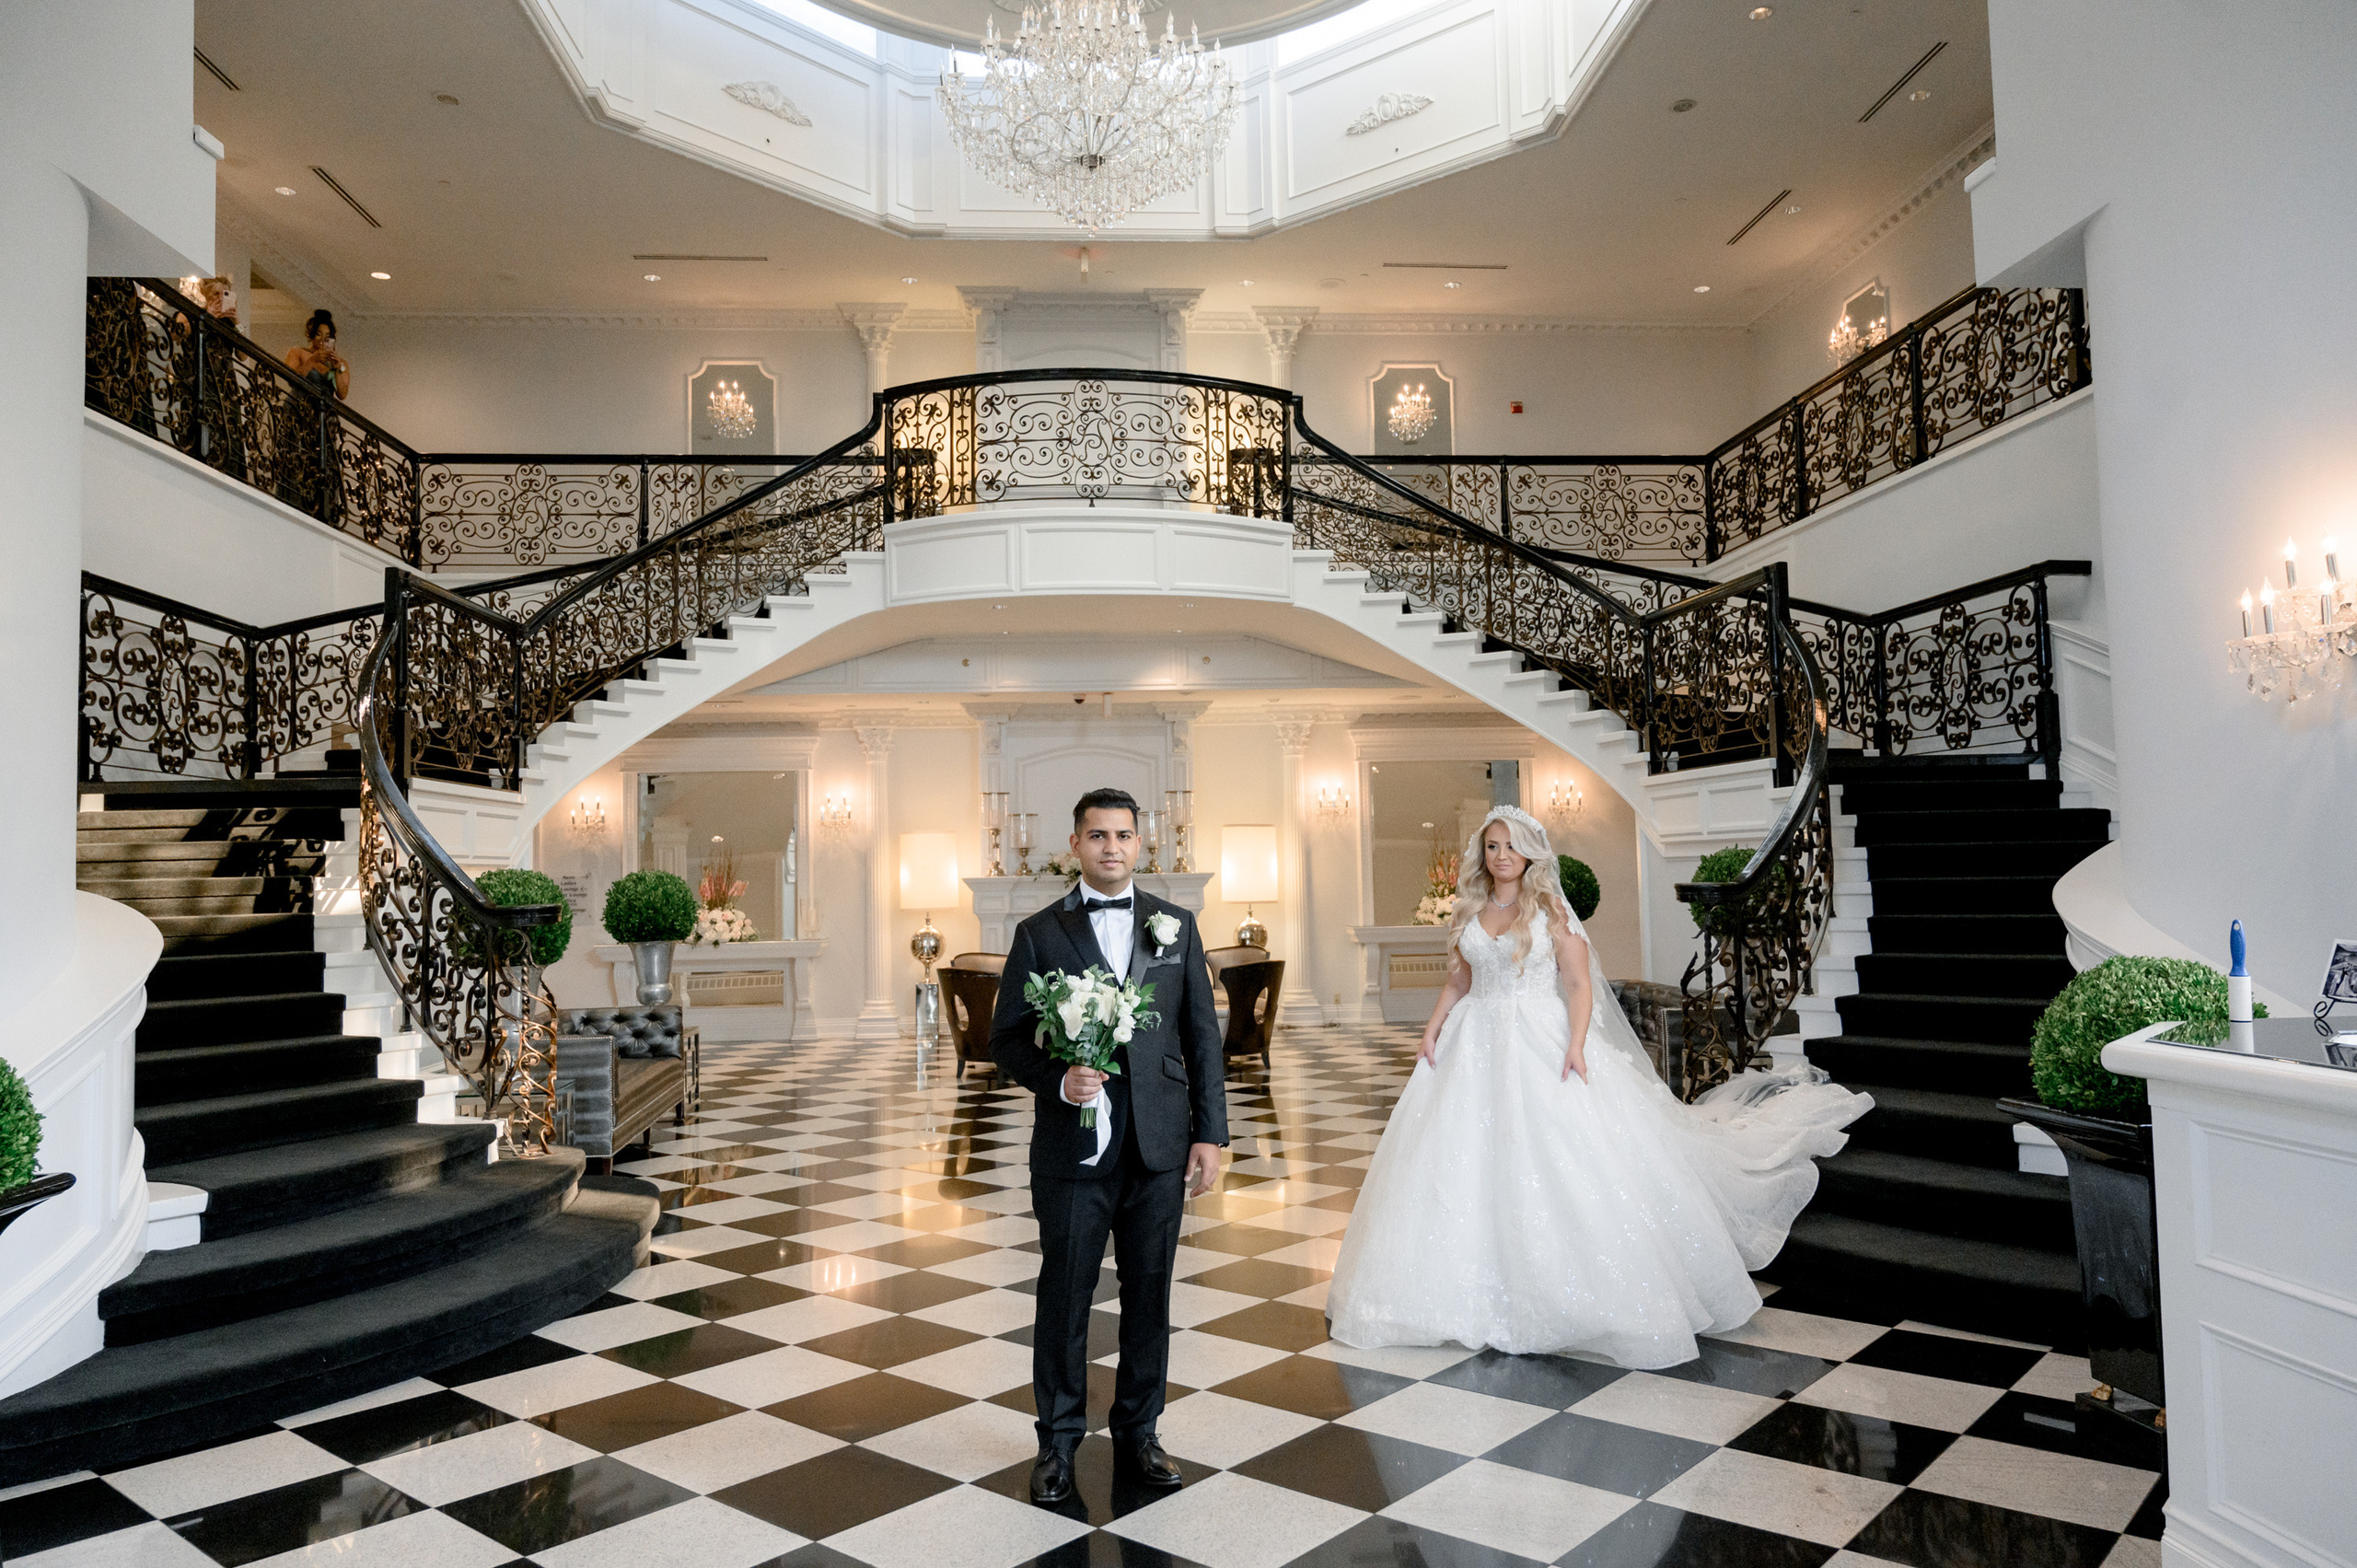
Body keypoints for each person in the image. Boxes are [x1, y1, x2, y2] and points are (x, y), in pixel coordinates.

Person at [1327, 805, 1871, 1368]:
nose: (1501, 855)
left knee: (1562, 1155)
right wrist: (1434, 1026)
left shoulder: (1552, 911)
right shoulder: (1470, 910)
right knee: (1457, 1160)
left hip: (1540, 1037)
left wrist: (1576, 1042)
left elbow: (1579, 984)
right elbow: (1458, 981)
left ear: (1531, 852)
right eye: (1492, 846)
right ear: (1483, 855)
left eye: (1511, 845)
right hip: (1474, 1041)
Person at [989, 787, 1227, 1506]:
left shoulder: (1176, 926)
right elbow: (1002, 1038)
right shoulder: (1039, 931)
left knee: (1149, 1294)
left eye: (1124, 834)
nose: (1112, 847)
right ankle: (1058, 1442)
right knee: (1065, 1295)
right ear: (1076, 844)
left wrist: (1211, 1133)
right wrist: (1058, 1080)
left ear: (1140, 841)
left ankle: (1140, 1431)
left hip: (1159, 1146)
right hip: (1072, 1152)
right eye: (1098, 835)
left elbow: (1201, 1038)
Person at [284, 308, 349, 400]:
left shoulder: (341, 363)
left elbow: (342, 395)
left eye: (327, 337)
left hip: (325, 410)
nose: (322, 340)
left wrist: (336, 368)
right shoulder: (298, 352)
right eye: (319, 334)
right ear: (312, 335)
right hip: (300, 406)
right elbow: (291, 380)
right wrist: (312, 360)